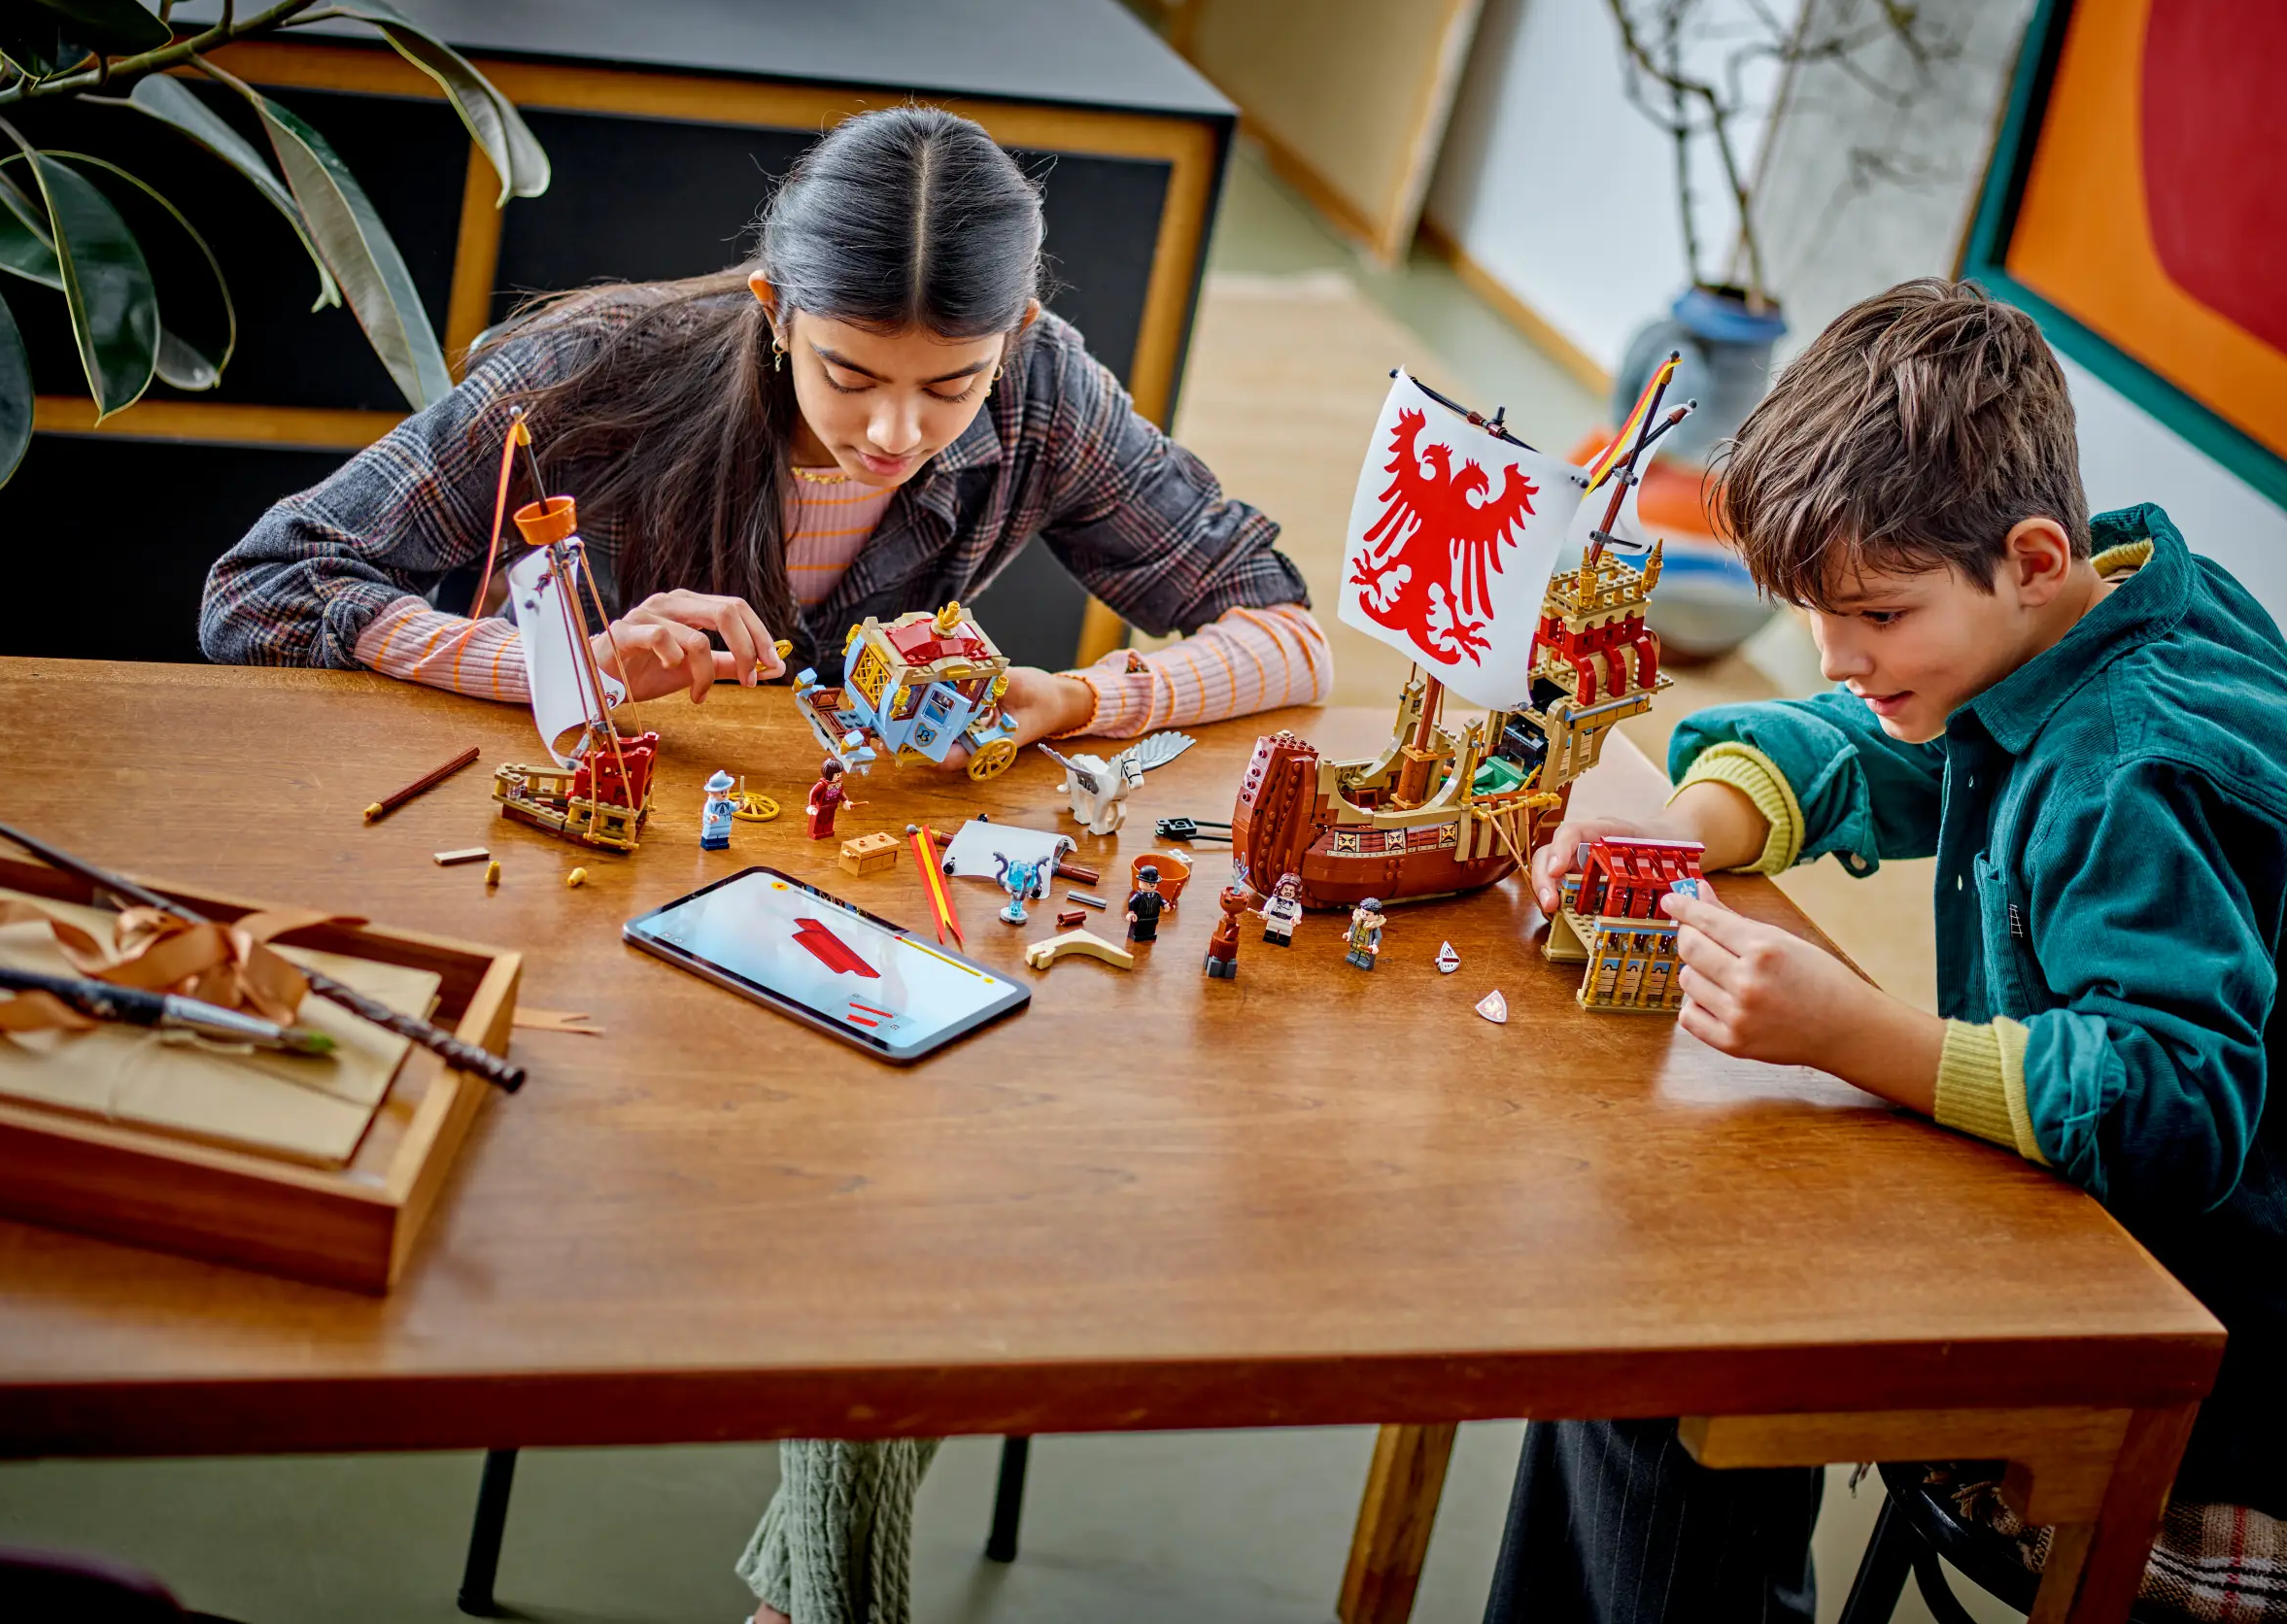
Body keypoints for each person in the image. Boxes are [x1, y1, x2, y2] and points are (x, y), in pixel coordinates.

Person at [200, 104, 1332, 1624]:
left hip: (858, 916)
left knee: (924, 1221)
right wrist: (565, 665)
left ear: (1025, 329)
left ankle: (804, 1601)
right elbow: (264, 588)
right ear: (772, 304)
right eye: (851, 372)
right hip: (588, 939)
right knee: (902, 1234)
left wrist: (1076, 698)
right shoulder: (586, 371)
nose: (892, 432)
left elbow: (1283, 624)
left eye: (953, 388)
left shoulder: (1051, 395)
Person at [1485, 279, 2287, 1622]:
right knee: (1634, 1309)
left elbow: (2172, 1108)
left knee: (1647, 1330)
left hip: (2208, 1391)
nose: (1840, 653)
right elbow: (1877, 734)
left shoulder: (2131, 768)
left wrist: (1853, 1034)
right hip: (2115, 1258)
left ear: (2032, 557)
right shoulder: (2097, 611)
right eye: (1815, 613)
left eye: (1879, 616)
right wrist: (1694, 823)